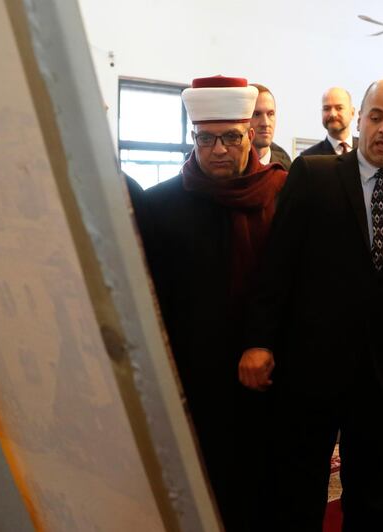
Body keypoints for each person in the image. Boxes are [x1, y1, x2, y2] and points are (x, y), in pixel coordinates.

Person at [241, 79, 383, 531]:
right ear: (360, 119)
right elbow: (277, 265)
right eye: (377, 116)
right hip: (311, 369)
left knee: (374, 494)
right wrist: (259, 341)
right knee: (298, 490)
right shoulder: (315, 176)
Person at [137, 75, 287, 531]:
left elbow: (295, 286)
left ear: (250, 137)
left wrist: (266, 343)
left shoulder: (282, 196)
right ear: (193, 138)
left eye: (230, 138)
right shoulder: (159, 205)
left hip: (267, 377)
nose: (218, 149)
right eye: (207, 138)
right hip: (191, 382)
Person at [301, 86, 358, 156]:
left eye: (339, 108)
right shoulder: (308, 158)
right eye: (326, 109)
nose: (332, 114)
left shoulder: (367, 151)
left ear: (352, 113)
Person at [250, 83, 292, 169]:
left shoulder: (287, 166)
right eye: (256, 114)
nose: (265, 123)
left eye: (270, 114)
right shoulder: (227, 165)